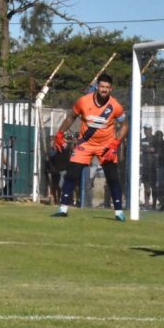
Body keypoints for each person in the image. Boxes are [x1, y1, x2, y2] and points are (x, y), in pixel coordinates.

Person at [51, 73, 128, 221]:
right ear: (97, 87)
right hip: (85, 144)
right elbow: (70, 117)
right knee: (72, 174)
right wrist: (60, 133)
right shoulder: (83, 101)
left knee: (112, 177)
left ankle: (118, 212)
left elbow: (125, 125)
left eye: (107, 87)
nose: (104, 89)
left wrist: (115, 143)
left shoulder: (115, 106)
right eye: (102, 86)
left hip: (106, 146)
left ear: (111, 89)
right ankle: (63, 209)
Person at [140, 125, 156, 210]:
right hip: (145, 166)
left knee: (153, 186)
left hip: (153, 166)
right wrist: (147, 149)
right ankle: (146, 204)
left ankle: (153, 204)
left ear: (151, 130)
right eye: (145, 129)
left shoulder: (155, 139)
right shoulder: (142, 140)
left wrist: (144, 149)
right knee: (146, 185)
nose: (146, 131)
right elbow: (139, 147)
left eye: (147, 129)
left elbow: (153, 149)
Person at [0, 136, 18, 200]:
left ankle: (4, 193)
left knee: (12, 182)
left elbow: (16, 158)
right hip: (7, 168)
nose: (13, 142)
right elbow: (3, 159)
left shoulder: (14, 149)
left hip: (13, 168)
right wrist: (9, 165)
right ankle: (9, 196)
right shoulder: (6, 148)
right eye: (12, 141)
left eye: (14, 141)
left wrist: (17, 166)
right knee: (11, 181)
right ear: (10, 141)